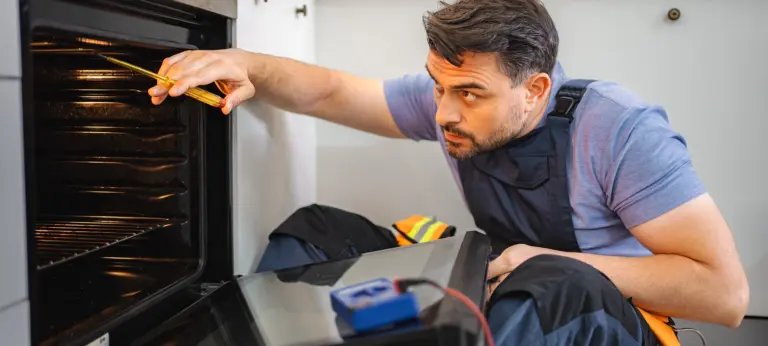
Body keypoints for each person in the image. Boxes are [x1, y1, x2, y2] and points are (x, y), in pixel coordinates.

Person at [148, 0, 749, 344]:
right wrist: (245, 63)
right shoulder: (451, 96)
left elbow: (726, 296)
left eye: (469, 94)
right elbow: (332, 92)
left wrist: (545, 259)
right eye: (438, 87)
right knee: (317, 231)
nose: (442, 114)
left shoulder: (620, 129)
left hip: (606, 316)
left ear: (535, 89)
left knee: (555, 283)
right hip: (505, 286)